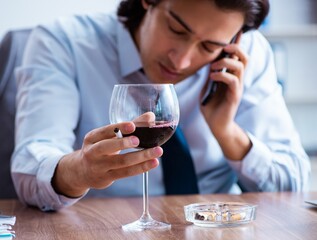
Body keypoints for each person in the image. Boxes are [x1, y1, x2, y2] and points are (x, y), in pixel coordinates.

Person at [12, 0, 311, 211]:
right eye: (177, 29)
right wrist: (78, 171)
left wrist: (227, 131)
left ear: (234, 40)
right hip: (102, 226)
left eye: (209, 46)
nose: (181, 61)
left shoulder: (250, 56)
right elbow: (29, 163)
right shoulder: (64, 43)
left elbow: (292, 186)